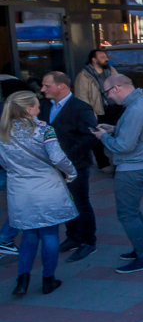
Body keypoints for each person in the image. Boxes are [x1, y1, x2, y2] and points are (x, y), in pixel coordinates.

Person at [0, 91, 77, 296]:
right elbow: (57, 157)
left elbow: (3, 163)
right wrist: (71, 172)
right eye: (36, 105)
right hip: (46, 187)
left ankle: (22, 281)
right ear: (28, 109)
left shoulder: (3, 131)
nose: (39, 108)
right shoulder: (44, 129)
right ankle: (48, 280)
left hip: (19, 190)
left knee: (28, 234)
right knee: (50, 234)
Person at [92, 75, 143, 273]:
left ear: (117, 88)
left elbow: (123, 146)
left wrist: (103, 137)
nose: (108, 97)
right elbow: (138, 132)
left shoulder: (136, 108)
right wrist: (114, 129)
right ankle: (142, 249)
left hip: (133, 168)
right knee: (133, 211)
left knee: (128, 214)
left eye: (107, 92)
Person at [38, 72, 98, 262]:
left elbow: (90, 137)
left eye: (47, 85)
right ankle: (73, 236)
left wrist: (66, 159)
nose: (43, 89)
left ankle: (88, 241)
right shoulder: (45, 106)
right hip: (52, 167)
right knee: (64, 202)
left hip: (75, 166)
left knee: (80, 202)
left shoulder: (80, 107)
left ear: (61, 86)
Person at [76, 48, 115, 172]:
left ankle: (119, 161)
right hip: (97, 110)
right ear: (94, 60)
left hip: (114, 107)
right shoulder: (84, 76)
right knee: (97, 137)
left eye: (106, 57)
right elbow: (82, 97)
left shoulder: (111, 71)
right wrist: (89, 114)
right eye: (102, 57)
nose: (106, 59)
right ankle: (103, 163)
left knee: (118, 133)